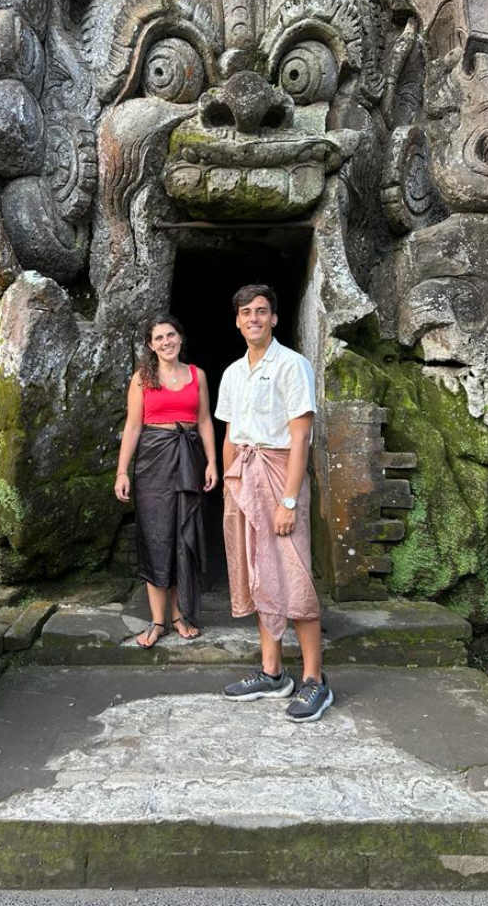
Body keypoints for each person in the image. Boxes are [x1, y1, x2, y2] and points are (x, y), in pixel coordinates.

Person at [214, 285, 329, 721]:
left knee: (292, 574)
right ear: (238, 321)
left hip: (280, 475)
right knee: (258, 571)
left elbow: (300, 436)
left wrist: (288, 500)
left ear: (275, 319)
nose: (254, 319)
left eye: (262, 311)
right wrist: (229, 485)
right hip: (243, 476)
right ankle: (272, 673)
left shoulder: (292, 365)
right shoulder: (232, 373)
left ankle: (315, 680)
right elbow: (230, 435)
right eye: (246, 313)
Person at [115, 315, 218, 647]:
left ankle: (178, 614)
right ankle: (158, 620)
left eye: (171, 335)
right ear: (150, 345)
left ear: (180, 338)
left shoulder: (196, 375)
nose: (166, 342)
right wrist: (121, 471)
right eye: (158, 338)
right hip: (153, 463)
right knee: (157, 537)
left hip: (189, 458)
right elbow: (132, 427)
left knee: (183, 534)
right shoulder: (141, 379)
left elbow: (204, 421)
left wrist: (212, 463)